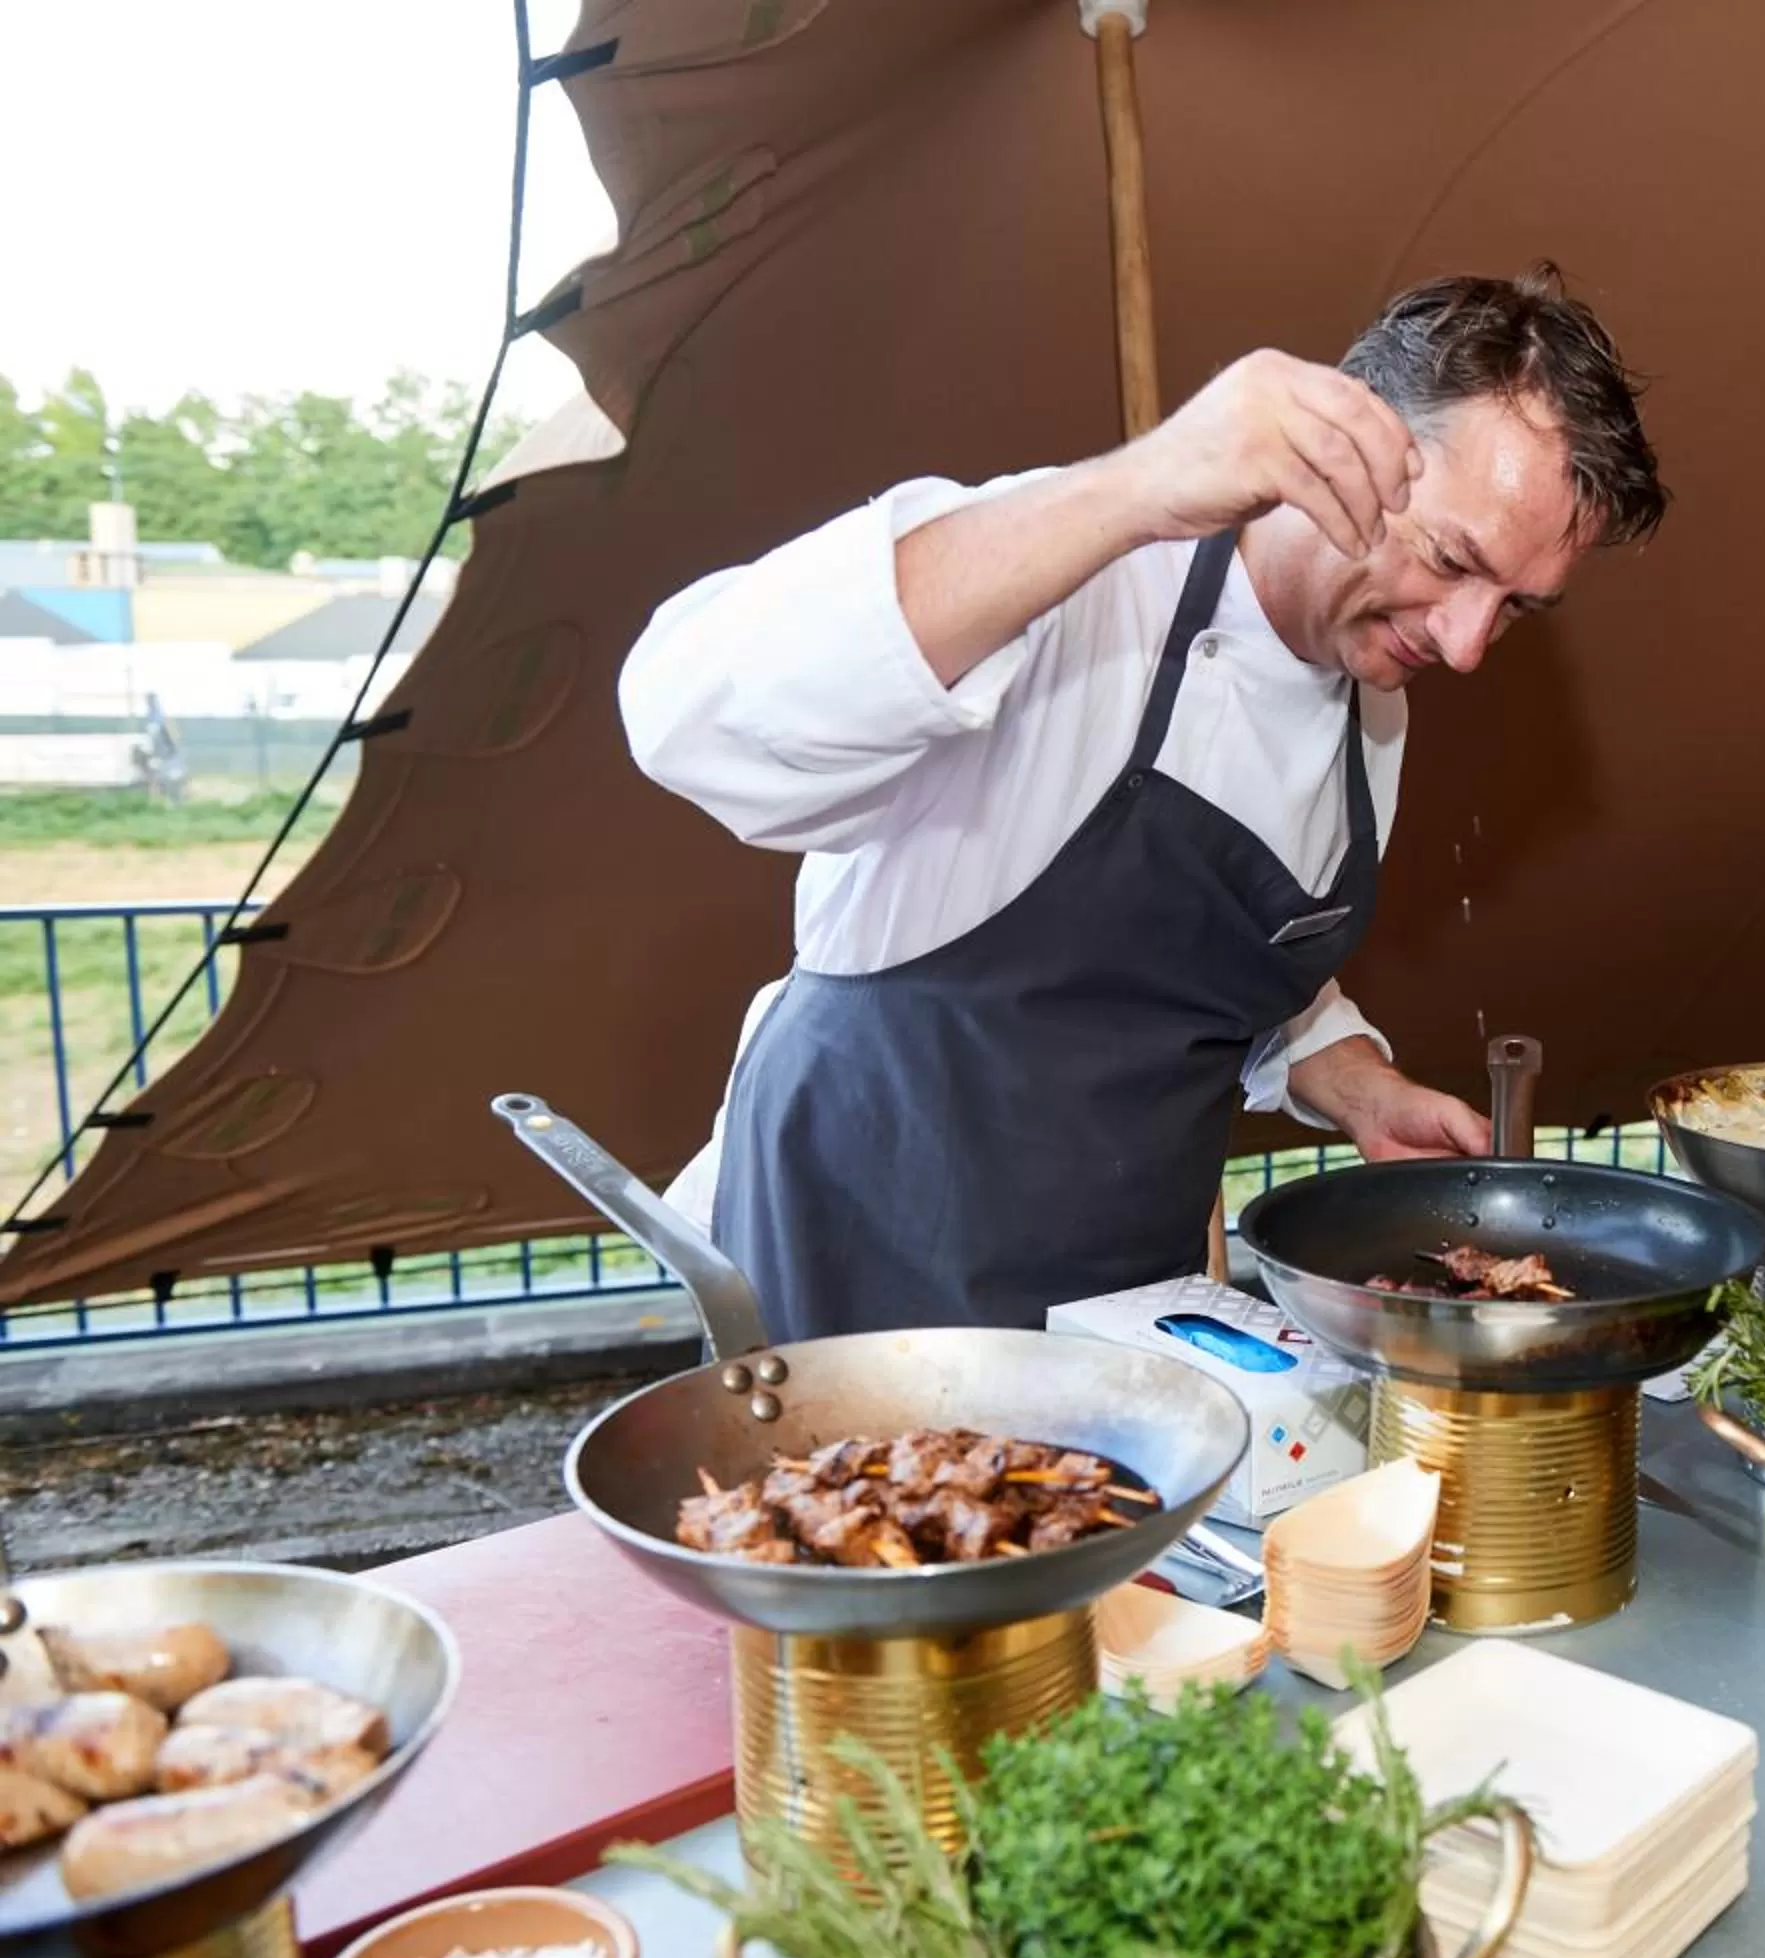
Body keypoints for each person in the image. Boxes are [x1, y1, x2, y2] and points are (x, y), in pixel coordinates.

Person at [618, 265, 1668, 1338]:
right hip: (862, 1255)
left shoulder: (1374, 701)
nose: (1466, 643)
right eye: (1451, 558)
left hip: (1121, 1307)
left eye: (1518, 608)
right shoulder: (1070, 570)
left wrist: (1346, 1076)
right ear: (1343, 445)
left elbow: (1210, 962)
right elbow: (688, 718)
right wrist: (1135, 486)